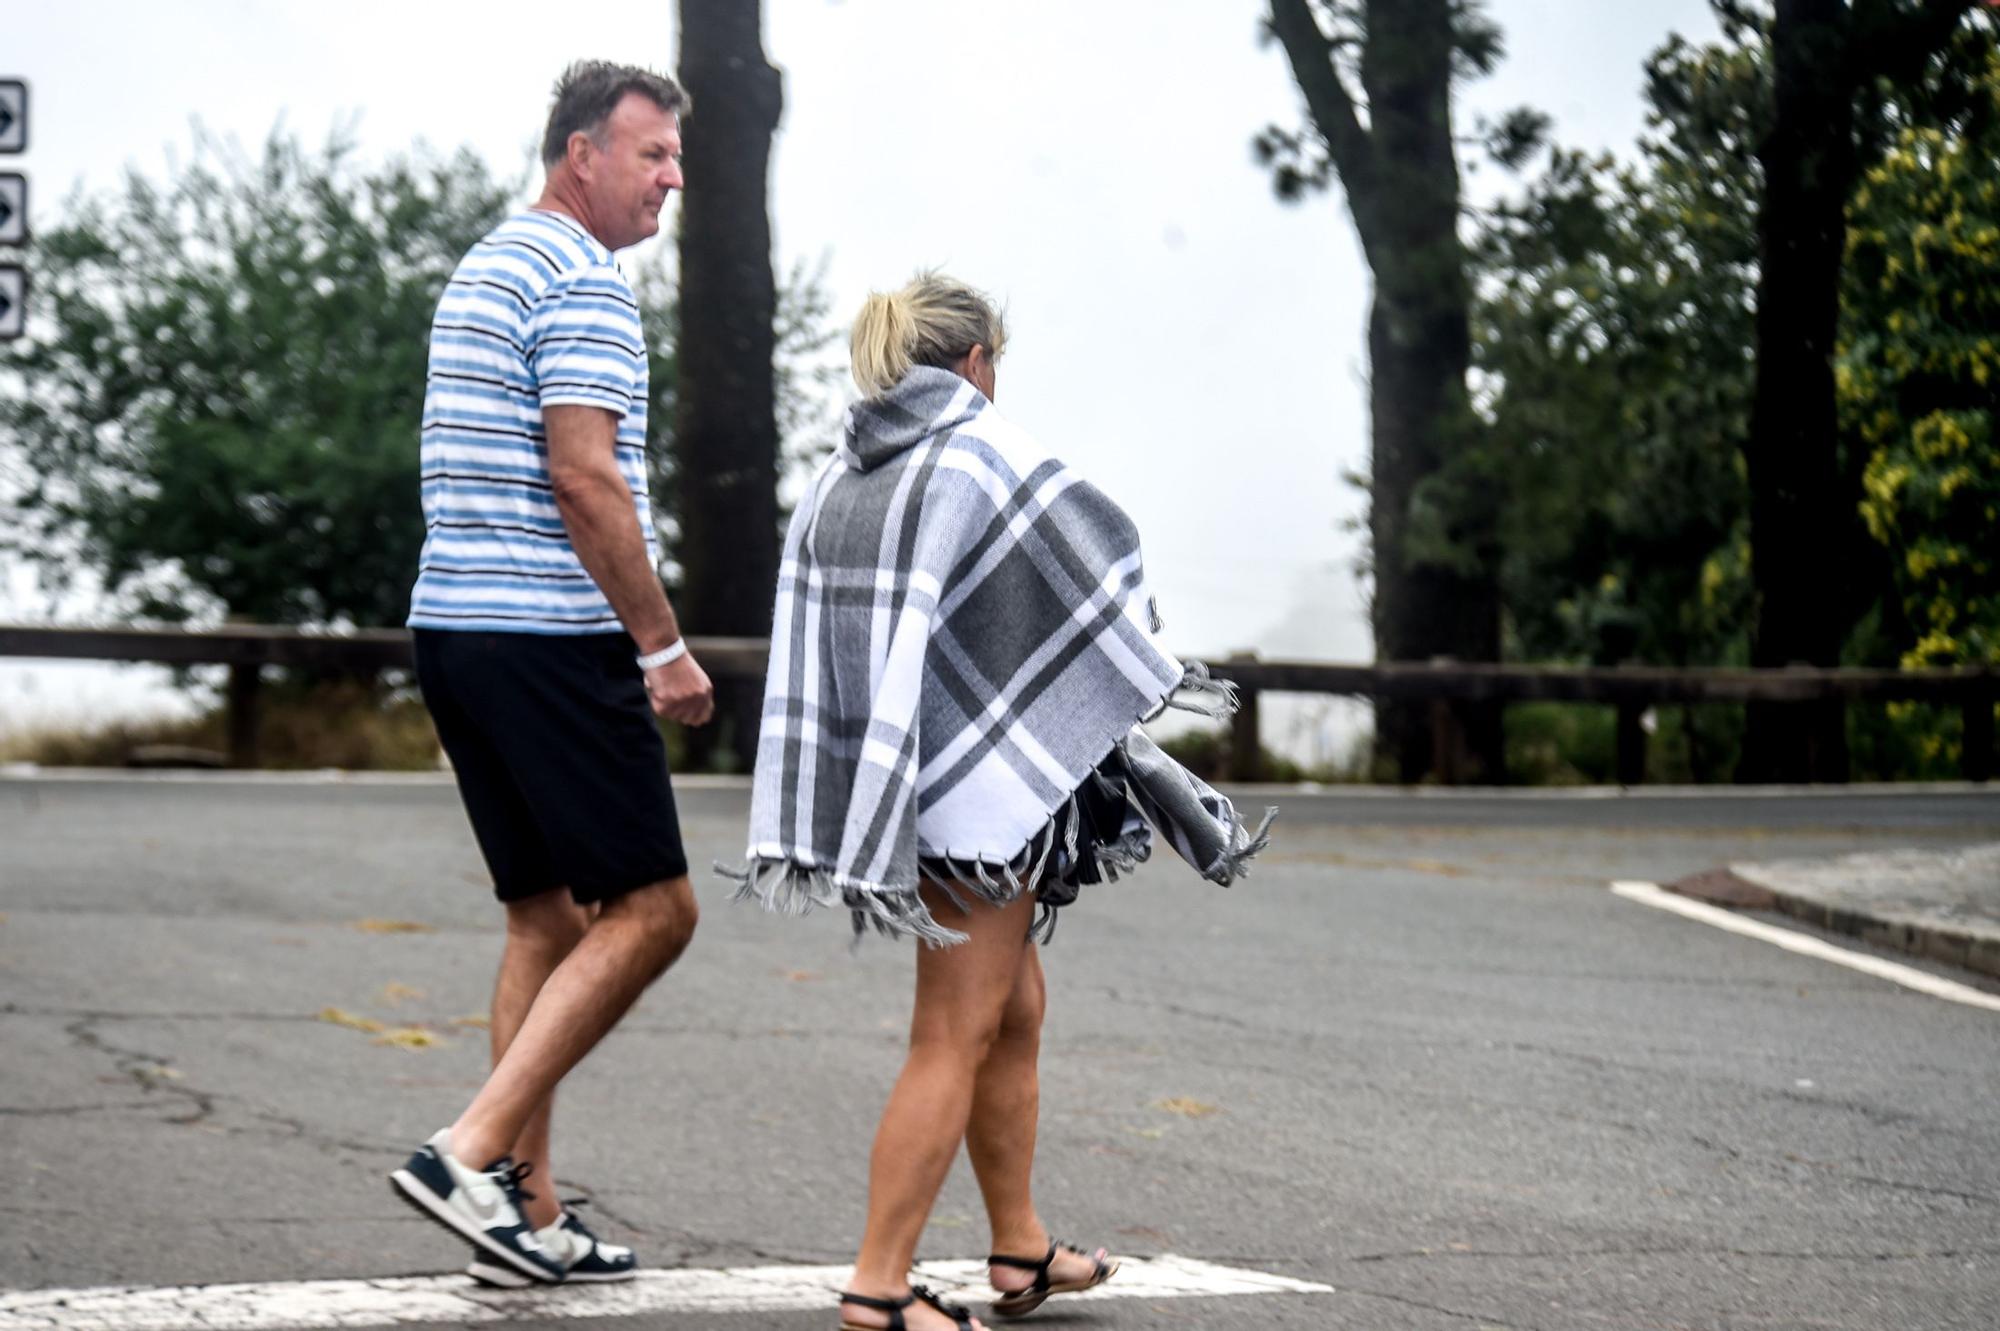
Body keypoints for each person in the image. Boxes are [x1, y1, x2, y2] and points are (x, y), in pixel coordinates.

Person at [729, 273, 1273, 1331]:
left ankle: (1019, 1247)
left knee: (1013, 1006)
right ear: (976, 361)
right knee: (952, 1029)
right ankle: (877, 1288)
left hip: (899, 776)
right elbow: (1096, 572)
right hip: (977, 803)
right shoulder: (980, 452)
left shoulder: (846, 471)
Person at [389, 60, 712, 1288]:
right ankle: (466, 1151)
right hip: (544, 633)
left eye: (676, 161)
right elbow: (584, 478)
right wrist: (661, 646)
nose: (670, 179)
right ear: (582, 154)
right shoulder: (582, 283)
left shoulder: (489, 262)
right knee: (655, 909)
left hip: (455, 630)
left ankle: (518, 1212)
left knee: (545, 914)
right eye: (650, 156)